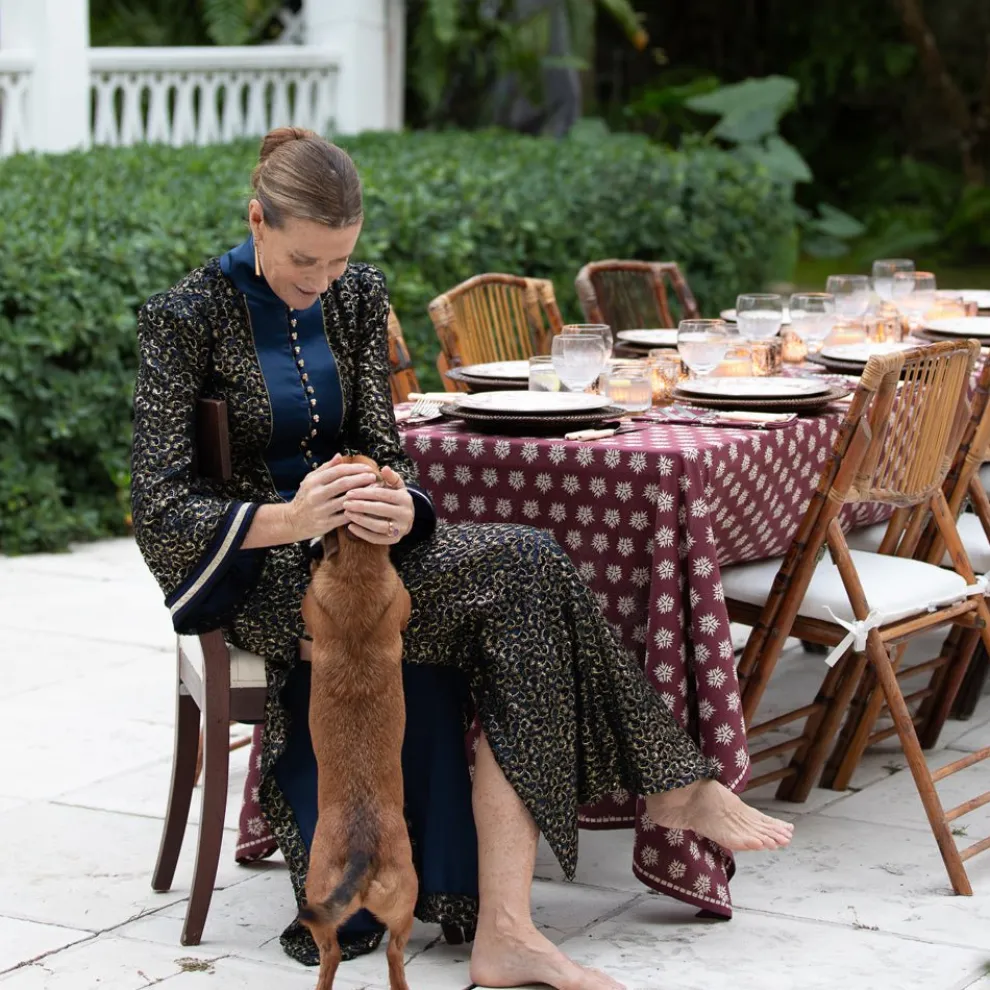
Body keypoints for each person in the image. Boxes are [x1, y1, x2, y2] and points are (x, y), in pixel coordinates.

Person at [130, 126, 793, 990]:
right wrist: (287, 519)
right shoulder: (184, 318)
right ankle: (662, 791)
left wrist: (400, 500)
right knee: (528, 571)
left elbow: (386, 445)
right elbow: (159, 508)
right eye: (304, 263)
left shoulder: (359, 297)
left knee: (527, 577)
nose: (321, 283)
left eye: (337, 264)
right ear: (256, 221)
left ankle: (511, 929)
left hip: (366, 554)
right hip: (263, 572)